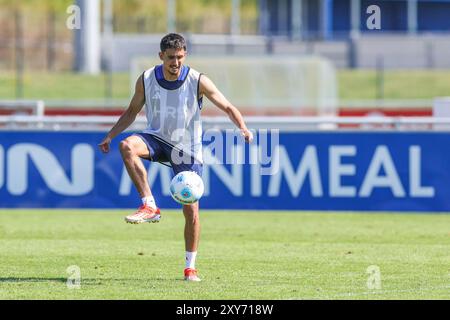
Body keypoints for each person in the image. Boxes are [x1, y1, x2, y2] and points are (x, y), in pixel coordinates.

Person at [98, 33, 253, 282]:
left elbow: (227, 106)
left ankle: (190, 268)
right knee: (127, 146)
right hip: (157, 139)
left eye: (180, 57)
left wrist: (242, 127)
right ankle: (149, 205)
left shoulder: (197, 80)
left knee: (191, 211)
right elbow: (131, 111)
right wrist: (110, 135)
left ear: (185, 55)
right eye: (171, 57)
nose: (176, 62)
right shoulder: (147, 79)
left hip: (187, 149)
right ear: (161, 56)